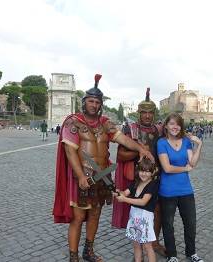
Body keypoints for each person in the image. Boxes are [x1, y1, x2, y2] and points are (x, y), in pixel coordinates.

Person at [52, 74, 154, 262]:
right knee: (78, 217)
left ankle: (88, 251)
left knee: (95, 214)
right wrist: (80, 175)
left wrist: (140, 148)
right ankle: (73, 257)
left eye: (97, 102)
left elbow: (122, 139)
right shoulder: (73, 122)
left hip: (102, 178)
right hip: (81, 177)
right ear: (84, 102)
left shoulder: (105, 123)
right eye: (91, 101)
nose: (94, 105)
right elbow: (70, 151)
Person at [111, 87, 166, 257]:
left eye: (150, 112)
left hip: (155, 176)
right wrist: (140, 150)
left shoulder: (159, 129)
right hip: (136, 177)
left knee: (157, 210)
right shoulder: (131, 129)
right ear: (139, 113)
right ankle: (139, 244)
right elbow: (120, 155)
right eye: (144, 112)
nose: (147, 115)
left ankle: (153, 242)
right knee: (136, 211)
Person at [157, 112, 204, 262]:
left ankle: (191, 252)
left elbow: (192, 163)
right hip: (167, 191)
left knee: (190, 223)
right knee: (168, 225)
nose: (175, 127)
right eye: (171, 124)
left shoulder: (185, 142)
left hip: (186, 190)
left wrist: (199, 145)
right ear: (166, 126)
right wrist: (184, 169)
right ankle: (172, 255)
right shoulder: (161, 143)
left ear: (181, 126)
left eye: (177, 124)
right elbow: (167, 168)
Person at [113, 157, 159, 262]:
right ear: (138, 171)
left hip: (145, 218)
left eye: (147, 171)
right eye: (142, 170)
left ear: (152, 173)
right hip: (134, 216)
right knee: (136, 244)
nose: (144, 174)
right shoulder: (135, 182)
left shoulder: (152, 184)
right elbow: (125, 193)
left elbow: (143, 201)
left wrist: (125, 199)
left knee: (147, 246)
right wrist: (117, 192)